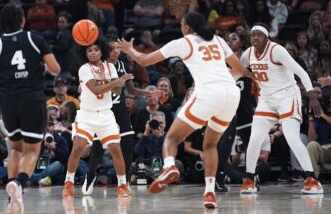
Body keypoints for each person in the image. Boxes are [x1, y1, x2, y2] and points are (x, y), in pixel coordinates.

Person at [118, 11, 249, 209]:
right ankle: (210, 193)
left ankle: (169, 166)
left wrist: (129, 50)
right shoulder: (218, 41)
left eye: (181, 24)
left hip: (208, 93)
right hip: (231, 93)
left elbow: (144, 61)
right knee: (211, 145)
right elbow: (240, 70)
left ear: (187, 27)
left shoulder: (184, 42)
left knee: (171, 139)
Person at [0, 3, 60, 214]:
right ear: (23, 20)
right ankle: (19, 185)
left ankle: (12, 191)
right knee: (32, 149)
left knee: (15, 148)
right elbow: (55, 68)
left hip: (7, 100)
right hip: (32, 98)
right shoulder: (35, 39)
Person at [239, 23, 324, 195]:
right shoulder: (248, 54)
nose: (254, 37)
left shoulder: (277, 51)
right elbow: (238, 71)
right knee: (255, 138)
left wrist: (312, 97)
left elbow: (301, 72)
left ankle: (312, 179)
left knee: (292, 137)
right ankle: (249, 179)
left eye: (259, 35)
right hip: (267, 99)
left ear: (266, 37)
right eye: (252, 34)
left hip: (287, 96)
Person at [81, 35, 162, 196]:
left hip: (120, 112)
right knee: (97, 149)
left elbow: (131, 90)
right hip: (103, 112)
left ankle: (123, 182)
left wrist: (149, 92)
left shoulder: (122, 66)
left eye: (118, 48)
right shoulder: (98, 67)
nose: (116, 51)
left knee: (127, 146)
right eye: (112, 49)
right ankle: (89, 177)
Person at [62, 37, 134, 199]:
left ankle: (122, 185)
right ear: (85, 53)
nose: (93, 53)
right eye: (89, 50)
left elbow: (117, 91)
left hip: (106, 115)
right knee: (78, 147)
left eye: (96, 50)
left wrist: (116, 81)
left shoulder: (110, 67)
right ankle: (69, 183)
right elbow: (95, 90)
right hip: (87, 114)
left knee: (116, 148)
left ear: (102, 51)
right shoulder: (84, 69)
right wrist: (114, 81)